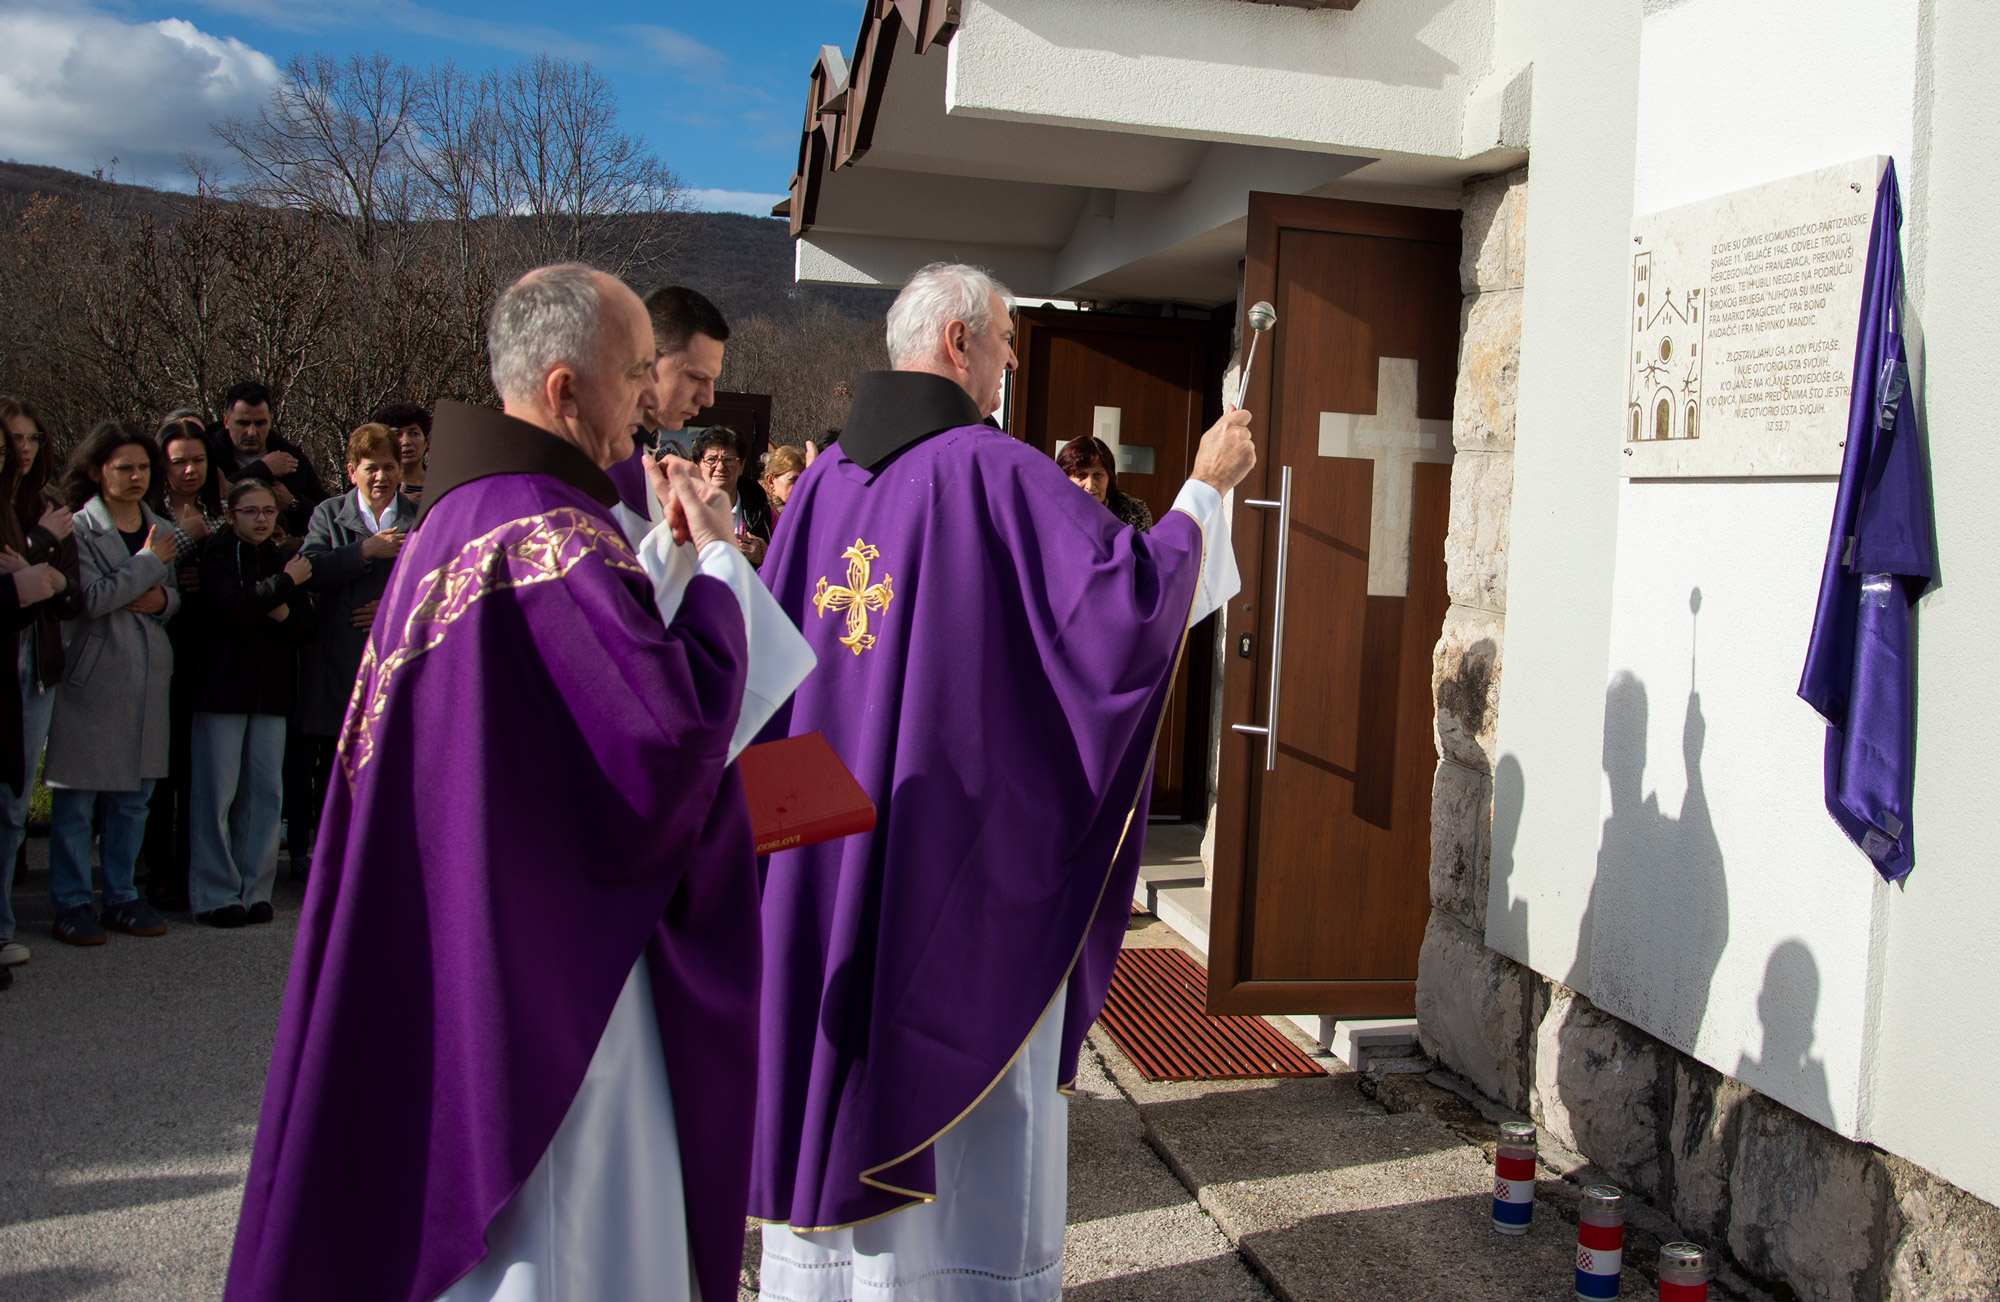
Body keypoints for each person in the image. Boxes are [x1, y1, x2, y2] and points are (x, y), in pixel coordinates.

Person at [225, 263, 812, 1302]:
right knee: (564, 1230)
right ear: (562, 388)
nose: (649, 399)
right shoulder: (548, 532)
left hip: (471, 919)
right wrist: (721, 564)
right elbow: (669, 736)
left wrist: (668, 568)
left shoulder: (459, 519)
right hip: (547, 964)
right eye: (635, 373)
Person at [751, 262, 1254, 1300]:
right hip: (949, 864)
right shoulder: (991, 471)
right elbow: (1124, 609)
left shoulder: (821, 487)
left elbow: (770, 683)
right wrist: (1207, 486)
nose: (1012, 360)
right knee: (974, 1109)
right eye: (1008, 338)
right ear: (958, 342)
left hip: (826, 858)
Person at [43, 423, 182, 946]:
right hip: (93, 678)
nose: (136, 477)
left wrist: (162, 600)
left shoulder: (160, 526)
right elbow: (92, 599)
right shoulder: (78, 529)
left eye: (143, 467)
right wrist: (147, 565)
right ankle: (72, 903)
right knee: (77, 802)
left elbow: (170, 598)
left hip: (147, 678)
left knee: (133, 800)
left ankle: (121, 896)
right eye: (124, 468)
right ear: (97, 471)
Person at [188, 482, 316, 927]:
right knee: (218, 795)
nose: (262, 519)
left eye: (268, 511)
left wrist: (279, 606)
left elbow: (305, 627)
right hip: (222, 691)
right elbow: (230, 607)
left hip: (272, 693)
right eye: (250, 511)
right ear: (231, 515)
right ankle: (214, 894)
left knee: (265, 795)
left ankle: (255, 890)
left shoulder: (280, 558)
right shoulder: (218, 554)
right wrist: (284, 586)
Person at [292, 423, 415, 881]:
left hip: (395, 659)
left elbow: (440, 580)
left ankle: (380, 859)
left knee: (388, 761)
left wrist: (391, 609)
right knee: (332, 763)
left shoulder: (420, 515)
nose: (381, 477)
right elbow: (310, 570)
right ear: (351, 471)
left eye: (389, 466)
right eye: (371, 468)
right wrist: (364, 550)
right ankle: (321, 859)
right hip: (338, 659)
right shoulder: (328, 514)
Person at [0, 395, 78, 972]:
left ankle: (2, 924)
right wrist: (39, 550)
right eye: (13, 440)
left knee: (13, 803)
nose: (23, 450)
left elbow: (67, 594)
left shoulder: (50, 507)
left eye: (32, 439)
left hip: (38, 664)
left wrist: (39, 567)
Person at [143, 413, 231, 910]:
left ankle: (194, 864)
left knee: (201, 768)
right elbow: (139, 571)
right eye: (179, 462)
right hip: (160, 646)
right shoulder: (148, 515)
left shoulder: (221, 514)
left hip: (211, 649)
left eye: (199, 460)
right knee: (163, 764)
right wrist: (184, 542)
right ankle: (158, 866)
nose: (190, 470)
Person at [606, 285, 729, 520]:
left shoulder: (646, 459)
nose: (708, 399)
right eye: (695, 377)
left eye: (712, 380)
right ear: (646, 359)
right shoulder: (600, 468)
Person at [206, 380, 328, 539]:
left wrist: (293, 503)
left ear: (270, 420)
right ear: (226, 421)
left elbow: (325, 515)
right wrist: (262, 469)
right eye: (243, 423)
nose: (251, 432)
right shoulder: (207, 458)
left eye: (260, 423)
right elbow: (211, 501)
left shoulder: (292, 457)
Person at [690, 428, 771, 566]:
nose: (720, 467)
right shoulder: (681, 510)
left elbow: (785, 562)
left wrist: (766, 555)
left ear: (741, 466)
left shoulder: (762, 513)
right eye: (711, 459)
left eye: (728, 460)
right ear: (697, 466)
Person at [1058, 433, 1154, 530]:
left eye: (1098, 475)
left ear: (1109, 478)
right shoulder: (1053, 518)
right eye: (1081, 475)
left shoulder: (1133, 517)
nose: (1090, 486)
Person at [372, 402, 431, 505]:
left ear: (426, 442)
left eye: (414, 433)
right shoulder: (374, 485)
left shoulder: (443, 486)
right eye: (397, 434)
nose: (406, 442)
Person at [762, 445, 806, 522]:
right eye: (793, 480)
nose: (800, 486)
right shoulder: (758, 513)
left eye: (803, 480)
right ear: (771, 481)